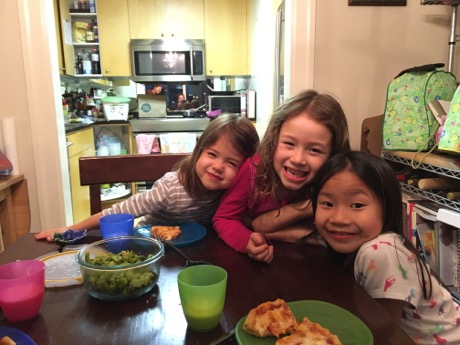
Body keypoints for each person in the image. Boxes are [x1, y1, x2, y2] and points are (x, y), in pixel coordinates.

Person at [311, 151, 460, 344]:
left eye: (356, 205)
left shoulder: (381, 251)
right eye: (327, 203)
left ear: (387, 207)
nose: (339, 219)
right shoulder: (351, 240)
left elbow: (379, 333)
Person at [35, 114, 259, 241]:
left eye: (231, 163)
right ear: (198, 151)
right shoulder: (171, 188)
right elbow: (120, 211)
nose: (218, 166)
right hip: (149, 244)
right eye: (212, 154)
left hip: (197, 253)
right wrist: (71, 229)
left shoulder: (230, 191)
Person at [212, 89, 350, 263]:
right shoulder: (254, 169)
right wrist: (247, 241)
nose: (298, 159)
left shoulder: (330, 182)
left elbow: (324, 235)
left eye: (314, 150)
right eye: (289, 144)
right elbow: (224, 217)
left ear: (332, 154)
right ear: (274, 141)